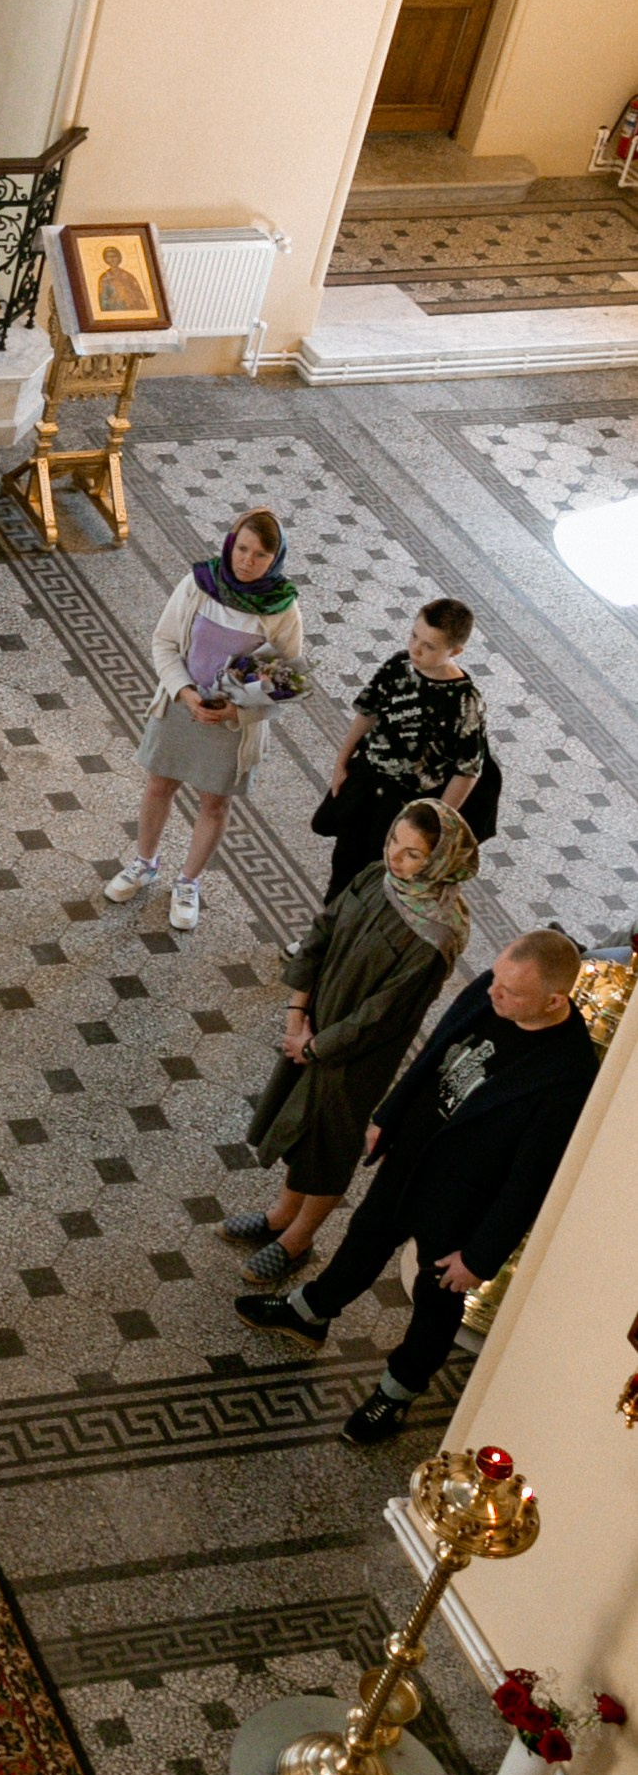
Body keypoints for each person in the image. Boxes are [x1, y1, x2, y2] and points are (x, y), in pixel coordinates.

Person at [238, 929, 600, 1441]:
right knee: (366, 1234)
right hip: (413, 1155)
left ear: (554, 1001)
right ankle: (310, 1311)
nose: (492, 992)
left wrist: (480, 1258)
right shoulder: (492, 991)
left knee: (436, 1301)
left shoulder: (568, 1077)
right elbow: (435, 1053)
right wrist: (390, 1114)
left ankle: (397, 1392)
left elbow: (530, 1180)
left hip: (464, 1200)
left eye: (510, 991)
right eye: (496, 978)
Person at [225, 802, 478, 1288]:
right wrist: (297, 1013)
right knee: (298, 1126)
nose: (395, 858)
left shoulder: (435, 936)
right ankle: (280, 1217)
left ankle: (297, 1242)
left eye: (413, 855)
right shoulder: (375, 877)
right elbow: (321, 933)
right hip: (313, 1025)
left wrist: (316, 1047)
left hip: (354, 1057)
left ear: (441, 861)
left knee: (327, 1145)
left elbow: (381, 1015)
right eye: (393, 842)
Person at [104, 507, 305, 932]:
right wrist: (184, 691)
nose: (247, 561)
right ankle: (144, 863)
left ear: (276, 559)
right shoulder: (200, 584)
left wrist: (238, 711)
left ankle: (188, 883)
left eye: (261, 555)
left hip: (231, 725)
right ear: (230, 544)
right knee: (160, 784)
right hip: (182, 706)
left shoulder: (283, 609)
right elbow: (164, 643)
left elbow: (287, 682)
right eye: (242, 549)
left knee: (215, 803)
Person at [315, 599, 488, 900]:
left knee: (381, 876)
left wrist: (435, 824)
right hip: (367, 781)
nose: (416, 650)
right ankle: (330, 922)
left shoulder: (465, 702)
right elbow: (368, 712)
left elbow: (467, 771)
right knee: (344, 862)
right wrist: (341, 763)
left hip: (405, 803)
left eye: (429, 646)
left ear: (455, 651)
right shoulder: (398, 665)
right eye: (414, 636)